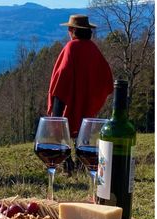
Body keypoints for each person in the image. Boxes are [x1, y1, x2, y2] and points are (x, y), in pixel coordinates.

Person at [47, 15, 113, 175]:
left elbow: (62, 73)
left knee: (62, 131)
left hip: (66, 98)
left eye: (70, 28)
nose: (69, 31)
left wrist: (58, 102)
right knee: (82, 134)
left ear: (74, 30)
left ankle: (66, 165)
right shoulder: (93, 49)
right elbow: (107, 78)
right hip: (87, 100)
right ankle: (80, 165)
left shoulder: (71, 47)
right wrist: (93, 94)